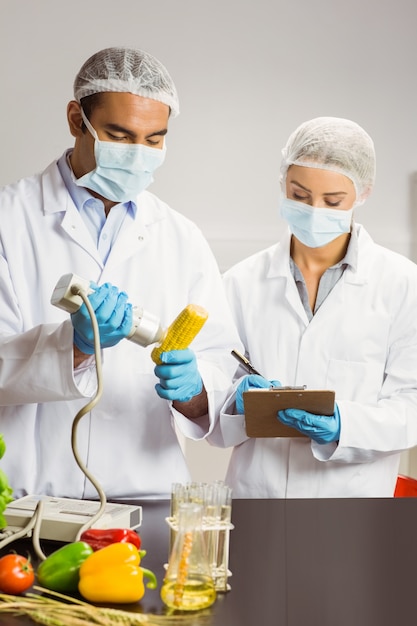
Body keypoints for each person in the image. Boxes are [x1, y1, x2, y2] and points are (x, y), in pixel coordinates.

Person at [0, 46, 241, 501]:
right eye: (120, 135)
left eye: (154, 140)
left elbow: (219, 373)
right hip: (27, 502)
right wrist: (72, 347)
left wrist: (194, 389)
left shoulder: (180, 236)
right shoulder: (9, 221)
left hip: (145, 498)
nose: (138, 154)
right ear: (77, 120)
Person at [209, 116, 417, 498]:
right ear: (283, 184)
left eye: (333, 201)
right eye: (299, 196)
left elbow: (411, 406)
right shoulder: (240, 282)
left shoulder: (404, 285)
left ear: (364, 192)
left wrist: (345, 424)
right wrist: (233, 400)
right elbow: (213, 413)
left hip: (353, 505)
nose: (314, 210)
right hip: (256, 498)